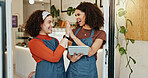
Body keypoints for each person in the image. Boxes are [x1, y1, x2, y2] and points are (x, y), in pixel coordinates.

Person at [25, 10, 70, 78]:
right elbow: (54, 57)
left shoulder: (54, 40)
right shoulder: (34, 42)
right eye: (49, 22)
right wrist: (66, 36)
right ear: (40, 24)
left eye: (52, 22)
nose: (52, 25)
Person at [66, 2, 106, 78]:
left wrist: (73, 37)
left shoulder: (100, 33)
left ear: (88, 14)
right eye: (75, 15)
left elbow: (90, 52)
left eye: (78, 14)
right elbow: (68, 53)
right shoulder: (74, 31)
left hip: (89, 73)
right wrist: (71, 58)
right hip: (72, 72)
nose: (76, 18)